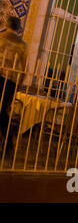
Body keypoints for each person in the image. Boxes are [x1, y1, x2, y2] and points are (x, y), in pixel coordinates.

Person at [0, 16, 27, 153]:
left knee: (1, 111)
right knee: (2, 109)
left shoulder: (1, 37)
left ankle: (8, 141)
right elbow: (24, 68)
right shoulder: (22, 44)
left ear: (7, 24)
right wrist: (19, 84)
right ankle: (8, 141)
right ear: (18, 28)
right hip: (10, 80)